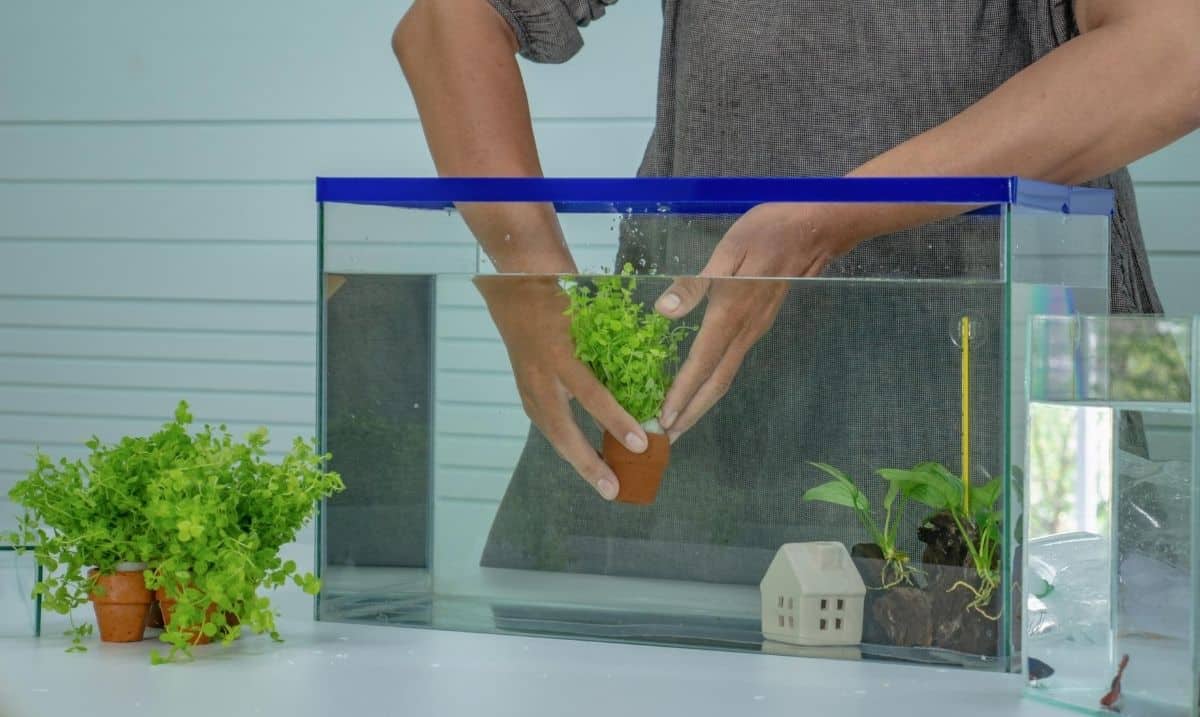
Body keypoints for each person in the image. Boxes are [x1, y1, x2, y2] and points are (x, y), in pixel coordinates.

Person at [391, 1, 1199, 585]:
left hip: (979, 402)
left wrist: (833, 214)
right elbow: (444, 23)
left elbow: (1175, 48)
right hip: (702, 421)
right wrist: (531, 271)